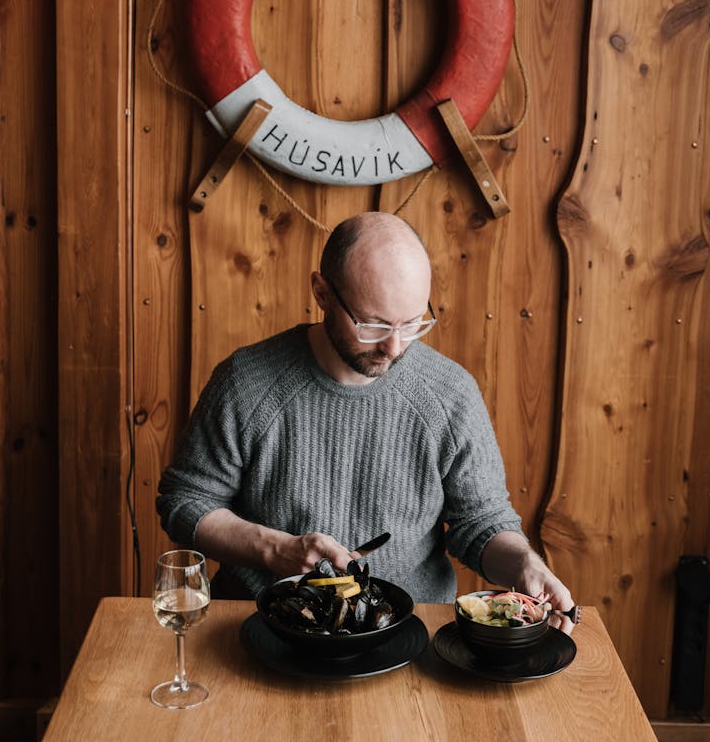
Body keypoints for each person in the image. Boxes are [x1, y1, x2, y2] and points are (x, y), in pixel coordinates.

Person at [156, 212, 575, 630]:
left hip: (407, 631)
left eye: (412, 323)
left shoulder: (449, 393)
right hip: (261, 627)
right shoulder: (246, 382)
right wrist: (273, 550)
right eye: (372, 325)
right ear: (321, 292)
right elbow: (185, 501)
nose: (394, 347)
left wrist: (525, 564)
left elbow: (481, 523)